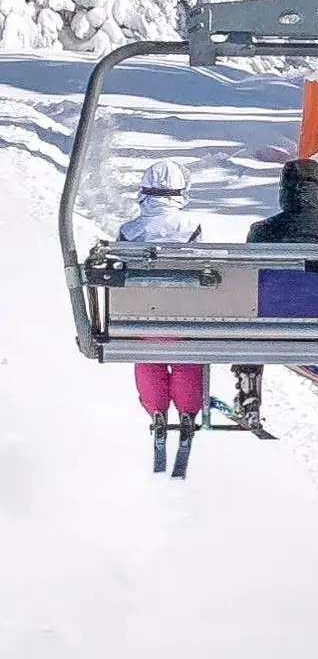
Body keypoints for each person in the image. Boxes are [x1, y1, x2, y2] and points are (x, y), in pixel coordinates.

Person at [232, 158, 318, 427]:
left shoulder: (262, 231)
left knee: (248, 310)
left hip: (273, 323)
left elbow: (248, 279)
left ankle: (249, 383)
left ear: (283, 193)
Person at [118, 161, 207, 455]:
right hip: (184, 316)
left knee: (149, 359)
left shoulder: (130, 230)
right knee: (185, 360)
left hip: (141, 319)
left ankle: (156, 410)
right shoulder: (191, 226)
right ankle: (187, 410)